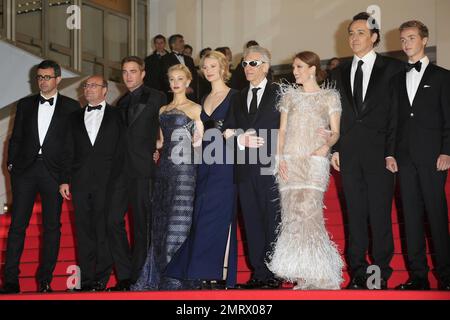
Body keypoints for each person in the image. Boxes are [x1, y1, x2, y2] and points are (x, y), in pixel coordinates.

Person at [330, 12, 403, 290]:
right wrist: (335, 148)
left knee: (380, 215)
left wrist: (391, 151)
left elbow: (396, 115)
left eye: (360, 32)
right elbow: (334, 114)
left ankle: (381, 273)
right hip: (349, 154)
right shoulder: (338, 72)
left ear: (373, 37)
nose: (353, 38)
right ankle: (359, 274)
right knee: (356, 216)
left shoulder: (393, 69)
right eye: (351, 33)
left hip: (381, 154)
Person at [0, 60, 79, 294]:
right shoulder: (25, 104)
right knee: (17, 226)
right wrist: (12, 165)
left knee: (52, 227)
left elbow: (71, 147)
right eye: (40, 77)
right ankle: (10, 280)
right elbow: (15, 138)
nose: (43, 81)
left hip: (53, 174)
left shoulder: (71, 107)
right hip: (25, 171)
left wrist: (66, 177)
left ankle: (45, 280)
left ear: (58, 80)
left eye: (47, 77)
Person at [267, 51, 344, 290]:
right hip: (290, 160)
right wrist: (279, 159)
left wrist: (326, 145)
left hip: (314, 161)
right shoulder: (288, 96)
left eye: (299, 67)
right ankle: (301, 273)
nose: (295, 71)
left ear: (312, 69)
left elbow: (336, 133)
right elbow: (281, 131)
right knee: (292, 217)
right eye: (294, 67)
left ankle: (321, 273)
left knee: (309, 215)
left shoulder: (329, 97)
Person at [166, 51, 239, 289]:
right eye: (205, 66)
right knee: (203, 216)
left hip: (226, 161)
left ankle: (220, 273)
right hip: (205, 161)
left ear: (223, 67)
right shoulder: (204, 97)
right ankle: (204, 270)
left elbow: (241, 129)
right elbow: (202, 133)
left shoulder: (235, 96)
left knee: (220, 216)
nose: (208, 70)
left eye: (213, 66)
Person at [132, 64, 203, 290]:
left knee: (179, 221)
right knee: (162, 220)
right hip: (165, 169)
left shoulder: (196, 109)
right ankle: (163, 272)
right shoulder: (162, 110)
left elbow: (199, 143)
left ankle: (178, 274)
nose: (175, 82)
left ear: (188, 82)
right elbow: (161, 142)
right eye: (172, 78)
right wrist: (150, 149)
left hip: (185, 170)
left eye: (180, 79)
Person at [391, 20, 450, 291]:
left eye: (411, 38)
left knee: (437, 217)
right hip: (404, 159)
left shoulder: (443, 77)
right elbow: (394, 120)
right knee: (411, 218)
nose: (406, 43)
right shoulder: (396, 79)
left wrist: (447, 150)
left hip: (432, 157)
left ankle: (447, 277)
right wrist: (390, 153)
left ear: (424, 40)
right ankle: (418, 277)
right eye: (403, 39)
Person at [106, 56, 166, 291]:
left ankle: (140, 277)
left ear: (143, 73)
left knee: (143, 225)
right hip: (120, 171)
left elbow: (166, 126)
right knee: (112, 220)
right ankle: (125, 274)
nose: (128, 76)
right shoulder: (119, 102)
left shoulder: (156, 96)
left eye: (133, 71)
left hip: (143, 168)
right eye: (124, 72)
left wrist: (160, 148)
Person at [224, 46, 281, 289]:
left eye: (253, 63)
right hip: (245, 168)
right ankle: (259, 273)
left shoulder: (280, 92)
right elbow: (226, 130)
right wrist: (239, 138)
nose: (247, 68)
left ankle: (274, 273)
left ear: (266, 67)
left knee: (272, 220)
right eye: (245, 64)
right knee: (252, 222)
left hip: (273, 167)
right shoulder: (237, 97)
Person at [59, 75, 123, 292]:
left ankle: (101, 279)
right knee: (84, 230)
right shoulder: (73, 117)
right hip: (80, 182)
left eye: (94, 86)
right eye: (86, 86)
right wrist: (63, 180)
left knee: (103, 229)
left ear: (105, 90)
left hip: (108, 182)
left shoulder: (117, 115)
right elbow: (67, 151)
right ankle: (86, 280)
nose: (88, 89)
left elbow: (122, 151)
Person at [161, 34, 199, 102]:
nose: (183, 43)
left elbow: (194, 75)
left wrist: (191, 87)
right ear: (173, 44)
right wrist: (178, 88)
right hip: (174, 94)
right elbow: (165, 76)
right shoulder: (165, 59)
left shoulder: (189, 59)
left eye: (183, 41)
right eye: (181, 41)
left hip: (191, 94)